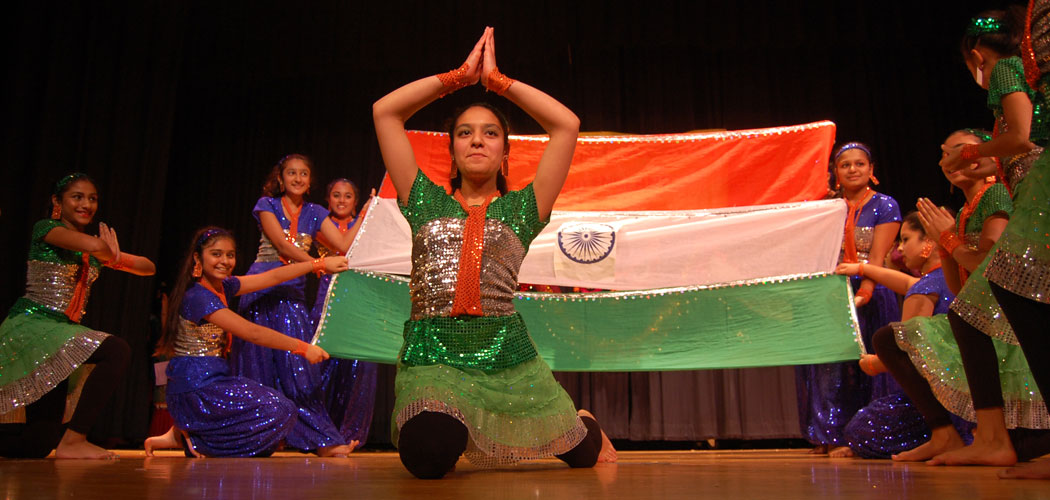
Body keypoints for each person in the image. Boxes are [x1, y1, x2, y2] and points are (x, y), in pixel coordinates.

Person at [372, 27, 614, 479]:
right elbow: (385, 112)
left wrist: (498, 81)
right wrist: (459, 78)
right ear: (452, 150)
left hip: (508, 361)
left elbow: (567, 125)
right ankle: (450, 425)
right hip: (435, 358)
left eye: (490, 133)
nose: (477, 140)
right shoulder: (424, 201)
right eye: (464, 133)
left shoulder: (524, 208)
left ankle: (582, 423)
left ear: (505, 152)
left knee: (582, 456)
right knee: (427, 454)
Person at [868, 129, 1049, 463]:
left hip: (1004, 322)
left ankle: (991, 439)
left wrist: (949, 239)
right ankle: (944, 434)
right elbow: (960, 290)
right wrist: (946, 242)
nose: (950, 160)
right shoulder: (968, 210)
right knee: (891, 339)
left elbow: (987, 265)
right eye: (945, 153)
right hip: (977, 316)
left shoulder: (995, 194)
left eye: (961, 151)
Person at [930, 5, 1050, 477]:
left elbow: (1021, 138)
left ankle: (997, 437)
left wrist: (976, 151)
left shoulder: (1004, 68)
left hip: (1040, 200)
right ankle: (993, 438)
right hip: (1033, 194)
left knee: (1000, 301)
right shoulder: (1027, 73)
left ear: (976, 55)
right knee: (980, 309)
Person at [144, 227, 347, 457]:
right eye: (216, 254)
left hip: (215, 381)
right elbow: (251, 332)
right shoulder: (198, 297)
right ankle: (200, 441)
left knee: (282, 411)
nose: (225, 261)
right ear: (198, 258)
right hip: (196, 389)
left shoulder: (224, 287)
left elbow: (272, 277)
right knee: (278, 410)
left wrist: (318, 265)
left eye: (230, 255)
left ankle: (187, 434)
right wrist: (303, 348)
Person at [0, 173, 155, 459]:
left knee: (37, 444)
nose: (86, 204)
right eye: (77, 197)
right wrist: (108, 253)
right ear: (57, 202)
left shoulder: (94, 251)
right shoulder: (46, 229)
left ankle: (64, 441)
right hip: (34, 327)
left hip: (58, 337)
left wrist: (113, 256)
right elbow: (96, 246)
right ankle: (75, 439)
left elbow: (148, 267)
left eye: (92, 198)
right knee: (116, 349)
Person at [230, 154, 357, 457]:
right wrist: (318, 264)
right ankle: (256, 437)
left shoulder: (315, 212)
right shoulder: (267, 205)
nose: (298, 179)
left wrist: (365, 213)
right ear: (281, 178)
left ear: (310, 181)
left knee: (300, 372)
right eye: (291, 173)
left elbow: (344, 244)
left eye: (303, 174)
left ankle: (320, 440)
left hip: (292, 296)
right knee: (256, 367)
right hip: (261, 291)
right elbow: (282, 245)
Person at [795, 142, 901, 455]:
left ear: (871, 170)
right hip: (831, 290)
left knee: (868, 363)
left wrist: (866, 290)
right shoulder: (826, 206)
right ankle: (829, 435)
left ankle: (867, 438)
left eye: (860, 164)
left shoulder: (885, 205)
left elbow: (878, 258)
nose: (853, 169)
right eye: (846, 165)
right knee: (830, 366)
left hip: (871, 289)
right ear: (836, 172)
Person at [835, 212, 960, 458]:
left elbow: (914, 355)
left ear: (928, 243)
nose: (900, 248)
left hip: (942, 400)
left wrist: (875, 363)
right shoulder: (953, 278)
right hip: (966, 396)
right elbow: (905, 283)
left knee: (860, 428)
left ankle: (944, 435)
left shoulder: (924, 290)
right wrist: (861, 267)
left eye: (905, 239)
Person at [310, 178, 377, 447]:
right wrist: (364, 214)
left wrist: (370, 214)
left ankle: (351, 434)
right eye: (336, 195)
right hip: (328, 295)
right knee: (321, 363)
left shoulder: (368, 224)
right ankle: (320, 432)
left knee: (358, 367)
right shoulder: (320, 224)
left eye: (347, 196)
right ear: (328, 199)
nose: (341, 200)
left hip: (359, 296)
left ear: (355, 200)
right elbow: (342, 247)